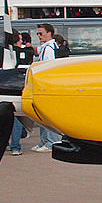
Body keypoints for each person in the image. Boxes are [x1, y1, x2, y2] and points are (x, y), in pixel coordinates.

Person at [32, 24, 62, 152]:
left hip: (47, 86)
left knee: (46, 114)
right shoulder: (46, 47)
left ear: (49, 33)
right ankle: (44, 140)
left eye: (41, 33)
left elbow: (49, 67)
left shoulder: (49, 49)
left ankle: (51, 141)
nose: (39, 36)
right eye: (38, 33)